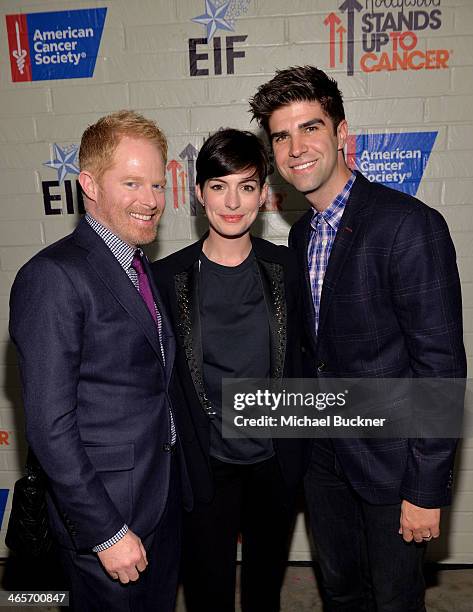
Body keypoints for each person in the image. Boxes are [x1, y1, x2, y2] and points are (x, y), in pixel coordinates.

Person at [250, 66, 466, 611]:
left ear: (342, 134)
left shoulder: (408, 225)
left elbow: (439, 368)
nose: (296, 148)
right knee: (341, 591)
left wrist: (425, 489)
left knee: (395, 599)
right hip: (324, 465)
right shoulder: (301, 235)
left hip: (393, 467)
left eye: (310, 128)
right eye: (281, 135)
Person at [9, 110, 190, 611]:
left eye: (156, 184)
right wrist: (107, 532)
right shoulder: (53, 277)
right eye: (132, 182)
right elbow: (49, 425)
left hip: (158, 501)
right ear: (89, 183)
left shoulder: (136, 263)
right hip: (106, 519)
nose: (151, 200)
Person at [153, 128, 307, 612]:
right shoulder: (166, 278)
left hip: (274, 463)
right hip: (205, 466)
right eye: (219, 186)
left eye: (246, 185)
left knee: (264, 595)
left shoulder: (287, 268)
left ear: (265, 194)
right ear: (199, 195)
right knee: (207, 596)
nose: (233, 201)